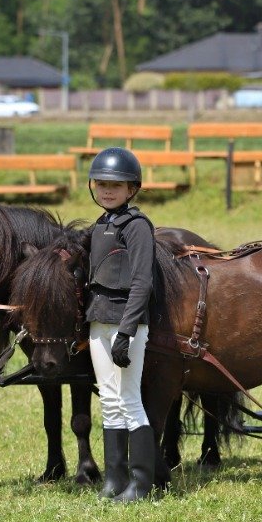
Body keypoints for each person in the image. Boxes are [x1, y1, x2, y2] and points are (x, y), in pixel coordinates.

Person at [86, 147, 156, 503]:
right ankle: (115, 479)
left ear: (132, 189)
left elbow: (142, 282)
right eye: (101, 183)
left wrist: (126, 332)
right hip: (98, 321)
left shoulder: (138, 226)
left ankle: (142, 483)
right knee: (108, 400)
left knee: (129, 399)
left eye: (116, 184)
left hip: (126, 323)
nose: (107, 190)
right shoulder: (100, 226)